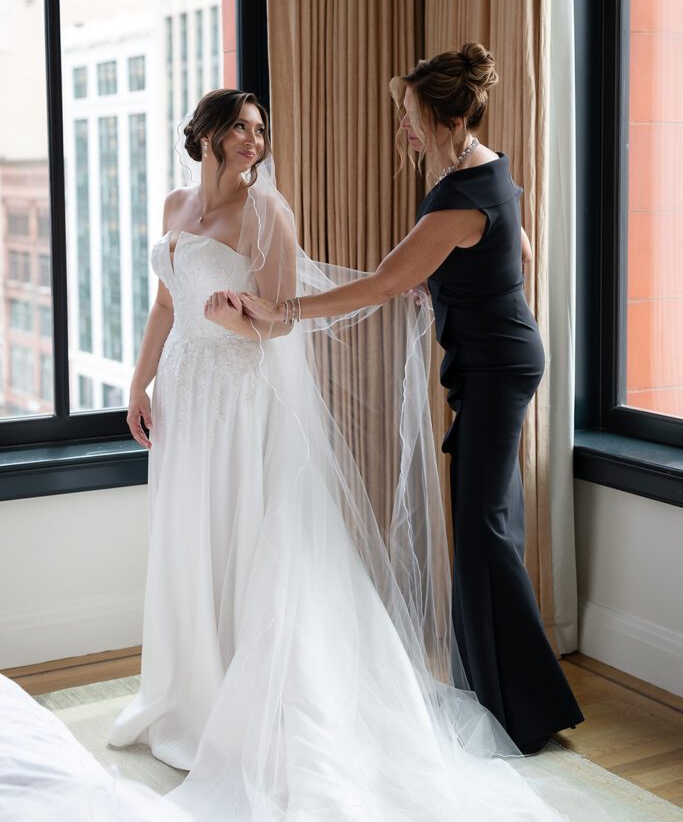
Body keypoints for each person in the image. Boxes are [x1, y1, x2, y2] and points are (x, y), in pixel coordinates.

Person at [109, 86, 569, 821]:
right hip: (187, 401)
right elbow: (165, 301)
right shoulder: (174, 207)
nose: (253, 141)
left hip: (237, 401)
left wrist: (240, 320)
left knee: (250, 538)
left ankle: (250, 697)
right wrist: (141, 381)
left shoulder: (269, 214)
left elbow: (279, 326)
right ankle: (190, 685)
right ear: (205, 134)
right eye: (240, 128)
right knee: (191, 538)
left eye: (261, 129)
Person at [239, 46, 584, 754]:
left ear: (448, 120)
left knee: (481, 536)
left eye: (410, 118)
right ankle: (496, 690)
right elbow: (515, 252)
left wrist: (285, 314)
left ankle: (527, 708)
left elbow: (382, 282)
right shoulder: (486, 168)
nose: (401, 129)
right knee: (491, 527)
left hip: (494, 368)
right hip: (502, 359)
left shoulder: (459, 197)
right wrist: (454, 281)